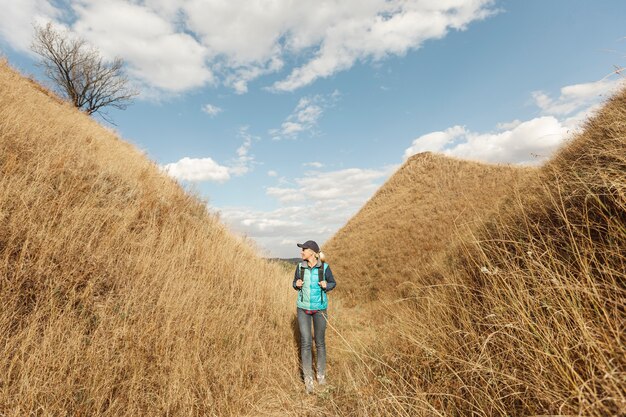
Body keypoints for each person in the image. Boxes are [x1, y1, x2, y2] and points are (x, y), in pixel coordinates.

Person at [292, 240, 336, 394]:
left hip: (320, 310)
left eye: (303, 249)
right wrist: (296, 284)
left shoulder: (324, 268)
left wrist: (327, 285)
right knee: (305, 342)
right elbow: (295, 284)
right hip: (303, 309)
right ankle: (308, 379)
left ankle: (321, 376)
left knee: (320, 343)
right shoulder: (300, 267)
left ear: (311, 252)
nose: (301, 252)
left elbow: (333, 283)